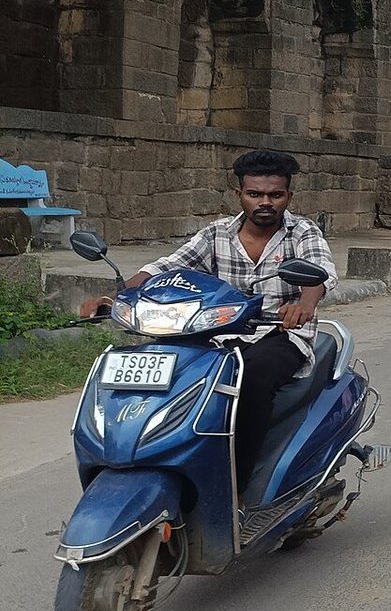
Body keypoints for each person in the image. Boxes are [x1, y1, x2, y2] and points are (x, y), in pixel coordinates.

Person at [83, 150, 337, 492]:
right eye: (255, 194)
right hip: (215, 335)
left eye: (275, 195)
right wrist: (116, 298)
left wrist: (305, 304)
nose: (265, 202)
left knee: (250, 380)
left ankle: (238, 489)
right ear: (240, 195)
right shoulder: (216, 234)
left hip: (279, 334)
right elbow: (167, 267)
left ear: (288, 197)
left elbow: (320, 273)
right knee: (169, 374)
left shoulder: (302, 232)